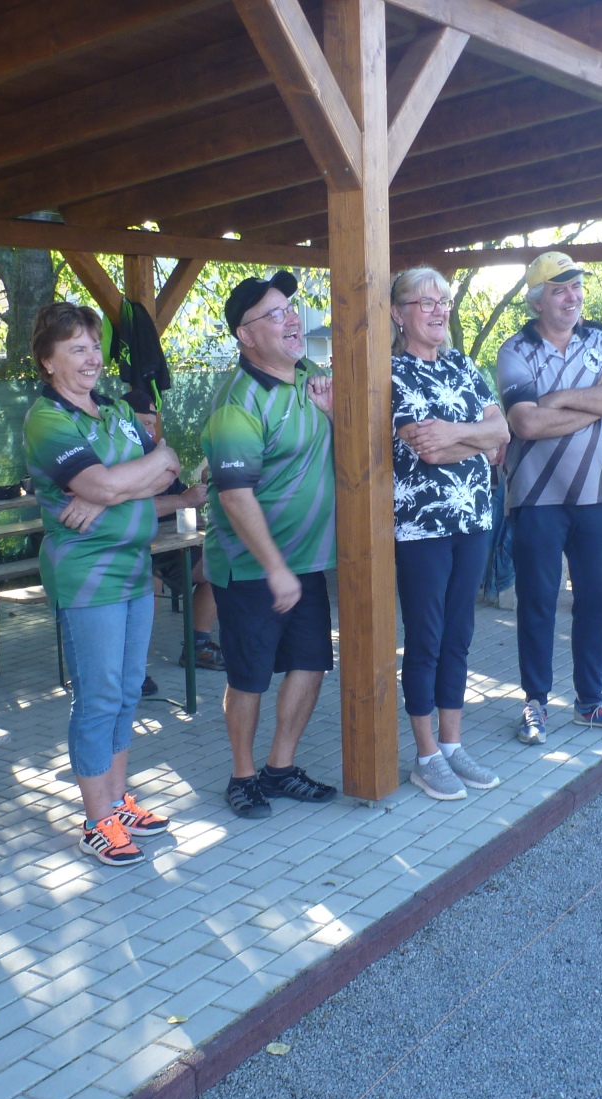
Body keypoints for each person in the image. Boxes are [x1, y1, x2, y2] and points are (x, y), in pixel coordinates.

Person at [22, 303, 179, 867]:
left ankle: (116, 801)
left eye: (93, 346)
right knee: (99, 696)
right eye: (76, 349)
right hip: (88, 576)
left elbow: (170, 464)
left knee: (129, 691)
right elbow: (108, 483)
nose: (91, 358)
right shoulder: (47, 419)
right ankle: (96, 821)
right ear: (48, 361)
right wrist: (113, 487)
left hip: (134, 568)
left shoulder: (114, 409)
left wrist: (110, 492)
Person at [202, 270, 339, 818]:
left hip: (305, 562)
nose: (292, 320)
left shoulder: (313, 378)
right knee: (249, 677)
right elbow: (235, 496)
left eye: (290, 309)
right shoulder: (237, 402)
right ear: (245, 334)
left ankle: (280, 768)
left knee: (310, 663)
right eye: (275, 314)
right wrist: (274, 567)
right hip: (250, 568)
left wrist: (335, 412)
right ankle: (242, 776)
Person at [495, 251, 602, 745]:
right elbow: (526, 423)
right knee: (537, 603)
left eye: (576, 287)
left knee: (598, 599)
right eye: (560, 290)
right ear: (538, 301)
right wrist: (596, 404)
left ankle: (590, 703)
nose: (572, 297)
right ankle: (534, 703)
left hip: (599, 497)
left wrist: (558, 399)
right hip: (536, 500)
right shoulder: (515, 350)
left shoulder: (601, 341)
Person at [390, 266, 510, 800]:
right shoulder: (392, 372)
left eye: (443, 301)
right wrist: (476, 439)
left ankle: (453, 744)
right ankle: (426, 756)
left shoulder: (462, 363)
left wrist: (459, 434)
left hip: (473, 520)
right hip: (422, 526)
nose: (439, 310)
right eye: (425, 302)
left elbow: (502, 432)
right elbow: (427, 448)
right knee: (427, 638)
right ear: (399, 314)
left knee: (459, 634)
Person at [129, 391, 224, 673]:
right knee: (149, 579)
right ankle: (133, 667)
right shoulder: (118, 458)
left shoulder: (156, 455)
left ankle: (197, 647)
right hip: (132, 549)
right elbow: (131, 508)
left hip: (172, 547)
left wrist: (203, 489)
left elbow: (182, 499)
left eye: (152, 424)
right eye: (143, 424)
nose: (150, 431)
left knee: (219, 565)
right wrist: (183, 500)